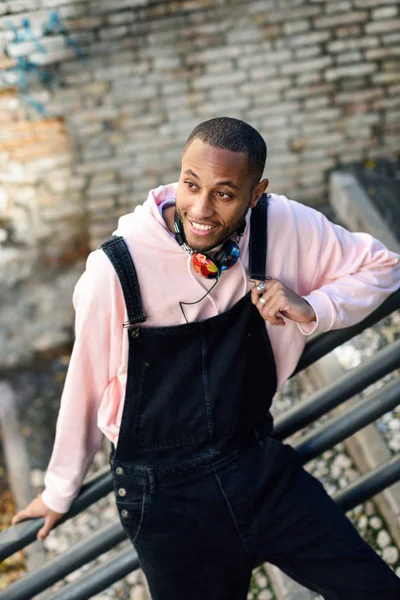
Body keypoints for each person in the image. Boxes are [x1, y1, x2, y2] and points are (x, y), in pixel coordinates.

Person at [12, 117, 400, 599]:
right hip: (167, 505)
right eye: (191, 185)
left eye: (224, 194)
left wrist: (314, 307)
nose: (200, 208)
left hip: (257, 468)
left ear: (255, 194)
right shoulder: (114, 272)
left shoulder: (281, 224)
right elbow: (85, 387)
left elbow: (384, 266)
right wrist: (58, 491)